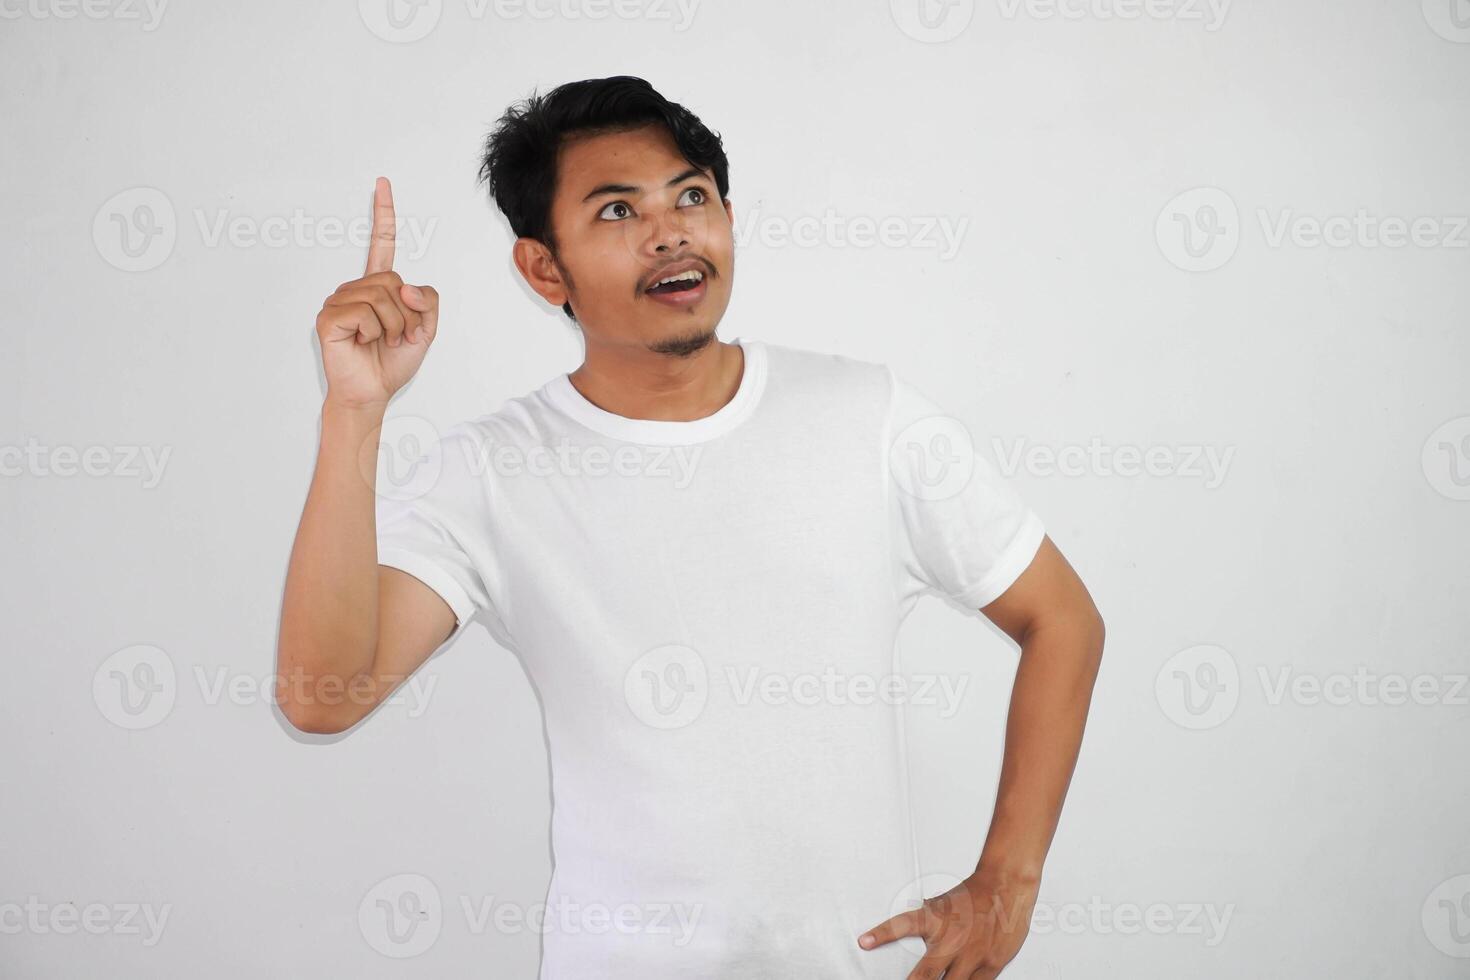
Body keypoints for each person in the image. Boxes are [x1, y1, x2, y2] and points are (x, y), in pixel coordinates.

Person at [276, 75, 1105, 980]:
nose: (670, 231)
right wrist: (354, 412)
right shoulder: (492, 471)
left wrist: (1007, 885)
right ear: (543, 267)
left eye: (691, 197)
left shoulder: (866, 416)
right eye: (618, 209)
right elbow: (322, 696)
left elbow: (1062, 620)